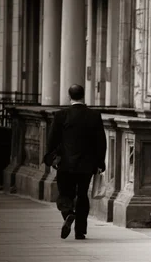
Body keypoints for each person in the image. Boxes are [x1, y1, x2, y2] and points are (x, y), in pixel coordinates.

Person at [44, 84, 107, 240]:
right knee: (82, 195)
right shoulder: (94, 115)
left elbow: (52, 140)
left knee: (65, 194)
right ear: (83, 95)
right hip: (87, 164)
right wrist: (100, 162)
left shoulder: (61, 115)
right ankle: (80, 231)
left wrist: (50, 158)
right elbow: (101, 141)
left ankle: (68, 214)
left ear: (69, 96)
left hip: (65, 164)